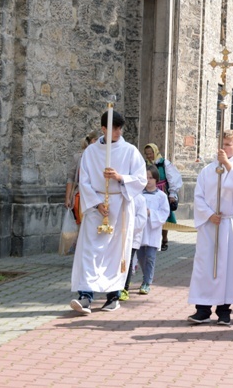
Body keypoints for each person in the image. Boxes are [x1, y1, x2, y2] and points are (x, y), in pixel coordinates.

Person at [69, 110, 147, 315]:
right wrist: (96, 204)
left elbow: (141, 179)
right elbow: (83, 181)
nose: (118, 132)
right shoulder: (91, 152)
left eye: (120, 128)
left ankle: (113, 297)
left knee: (115, 253)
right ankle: (85, 296)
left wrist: (120, 177)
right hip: (96, 208)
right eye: (114, 128)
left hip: (119, 205)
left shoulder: (130, 151)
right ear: (103, 128)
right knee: (89, 251)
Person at [187, 130, 233, 326]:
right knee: (206, 266)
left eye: (228, 144)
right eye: (222, 144)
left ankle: (224, 310)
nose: (224, 148)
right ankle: (203, 309)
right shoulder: (208, 170)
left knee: (229, 267)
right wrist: (208, 214)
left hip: (231, 224)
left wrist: (227, 164)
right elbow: (198, 195)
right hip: (211, 224)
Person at [136, 165, 170, 295]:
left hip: (152, 230)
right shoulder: (139, 195)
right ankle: (147, 275)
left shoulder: (161, 196)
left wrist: (151, 213)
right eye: (146, 178)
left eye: (151, 178)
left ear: (156, 179)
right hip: (140, 230)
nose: (148, 180)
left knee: (150, 256)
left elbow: (164, 212)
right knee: (141, 256)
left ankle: (146, 282)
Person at [144, 143, 183, 251]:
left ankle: (164, 238)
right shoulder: (144, 165)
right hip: (148, 192)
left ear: (155, 152)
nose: (149, 156)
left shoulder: (164, 163)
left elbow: (173, 178)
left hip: (162, 192)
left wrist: (172, 194)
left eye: (150, 153)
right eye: (147, 154)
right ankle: (151, 239)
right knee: (150, 215)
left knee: (164, 216)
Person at [65, 130, 99, 225]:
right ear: (93, 141)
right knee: (80, 224)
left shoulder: (100, 158)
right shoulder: (78, 157)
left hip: (95, 196)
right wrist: (67, 198)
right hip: (79, 196)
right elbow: (71, 178)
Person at [119, 192, 148, 301]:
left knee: (127, 261)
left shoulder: (140, 199)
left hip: (132, 236)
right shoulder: (120, 196)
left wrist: (127, 226)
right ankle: (115, 286)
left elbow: (141, 220)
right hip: (118, 235)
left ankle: (124, 288)